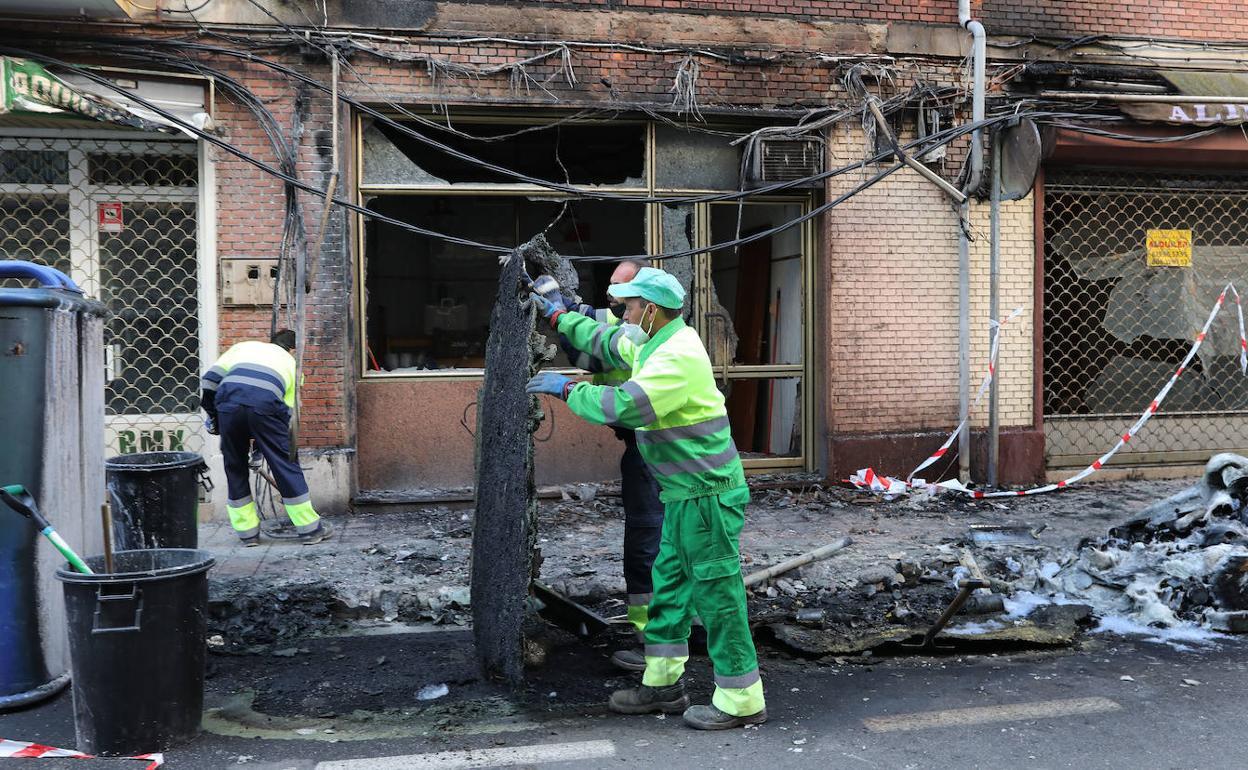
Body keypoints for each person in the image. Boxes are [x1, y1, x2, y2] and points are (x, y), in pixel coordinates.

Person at [526, 267, 766, 730]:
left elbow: (625, 407)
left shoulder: (675, 357)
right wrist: (558, 316)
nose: (623, 314)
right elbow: (602, 337)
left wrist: (569, 388)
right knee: (670, 590)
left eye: (629, 307)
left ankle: (741, 700)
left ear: (650, 310)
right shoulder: (654, 340)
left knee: (717, 594)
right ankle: (662, 685)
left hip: (708, 496)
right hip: (684, 494)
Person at [553, 259, 666, 672]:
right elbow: (592, 325)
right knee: (659, 544)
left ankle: (656, 642)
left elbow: (599, 351)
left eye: (624, 297)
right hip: (655, 452)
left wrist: (568, 389)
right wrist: (560, 307)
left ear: (646, 303)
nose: (614, 302)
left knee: (649, 544)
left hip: (657, 451)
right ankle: (669, 634)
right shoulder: (639, 325)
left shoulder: (648, 338)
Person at [200, 329, 332, 546]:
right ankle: (310, 530)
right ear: (291, 350)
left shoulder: (243, 348)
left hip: (228, 405)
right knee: (285, 465)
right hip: (265, 404)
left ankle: (247, 534)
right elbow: (285, 415)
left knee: (235, 467)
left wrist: (215, 418)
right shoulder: (292, 366)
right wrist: (267, 448)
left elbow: (209, 383)